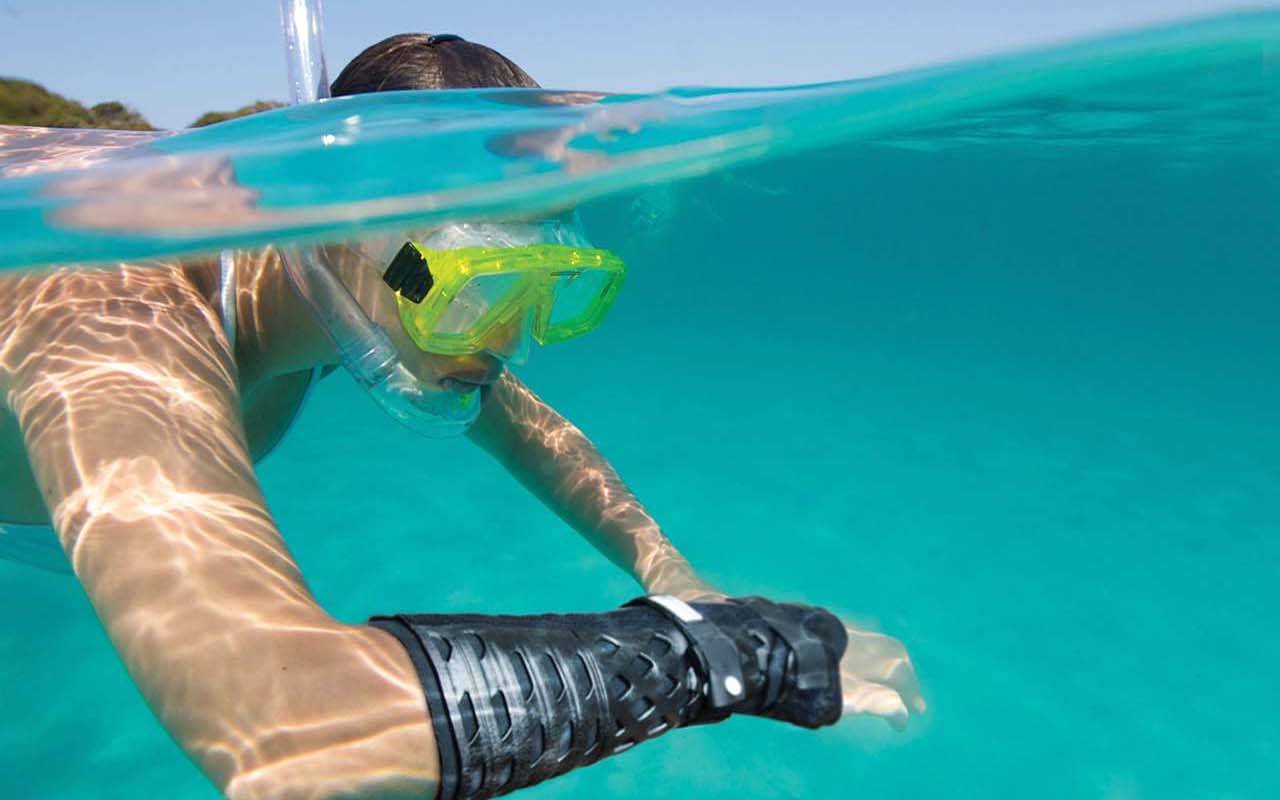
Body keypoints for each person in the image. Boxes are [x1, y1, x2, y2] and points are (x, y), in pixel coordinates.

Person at [0, 33, 922, 800]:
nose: (506, 341)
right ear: (339, 231)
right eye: (479, 285)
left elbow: (528, 430)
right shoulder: (111, 306)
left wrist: (676, 577)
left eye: (544, 291)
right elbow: (298, 740)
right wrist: (715, 654)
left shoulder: (353, 290)